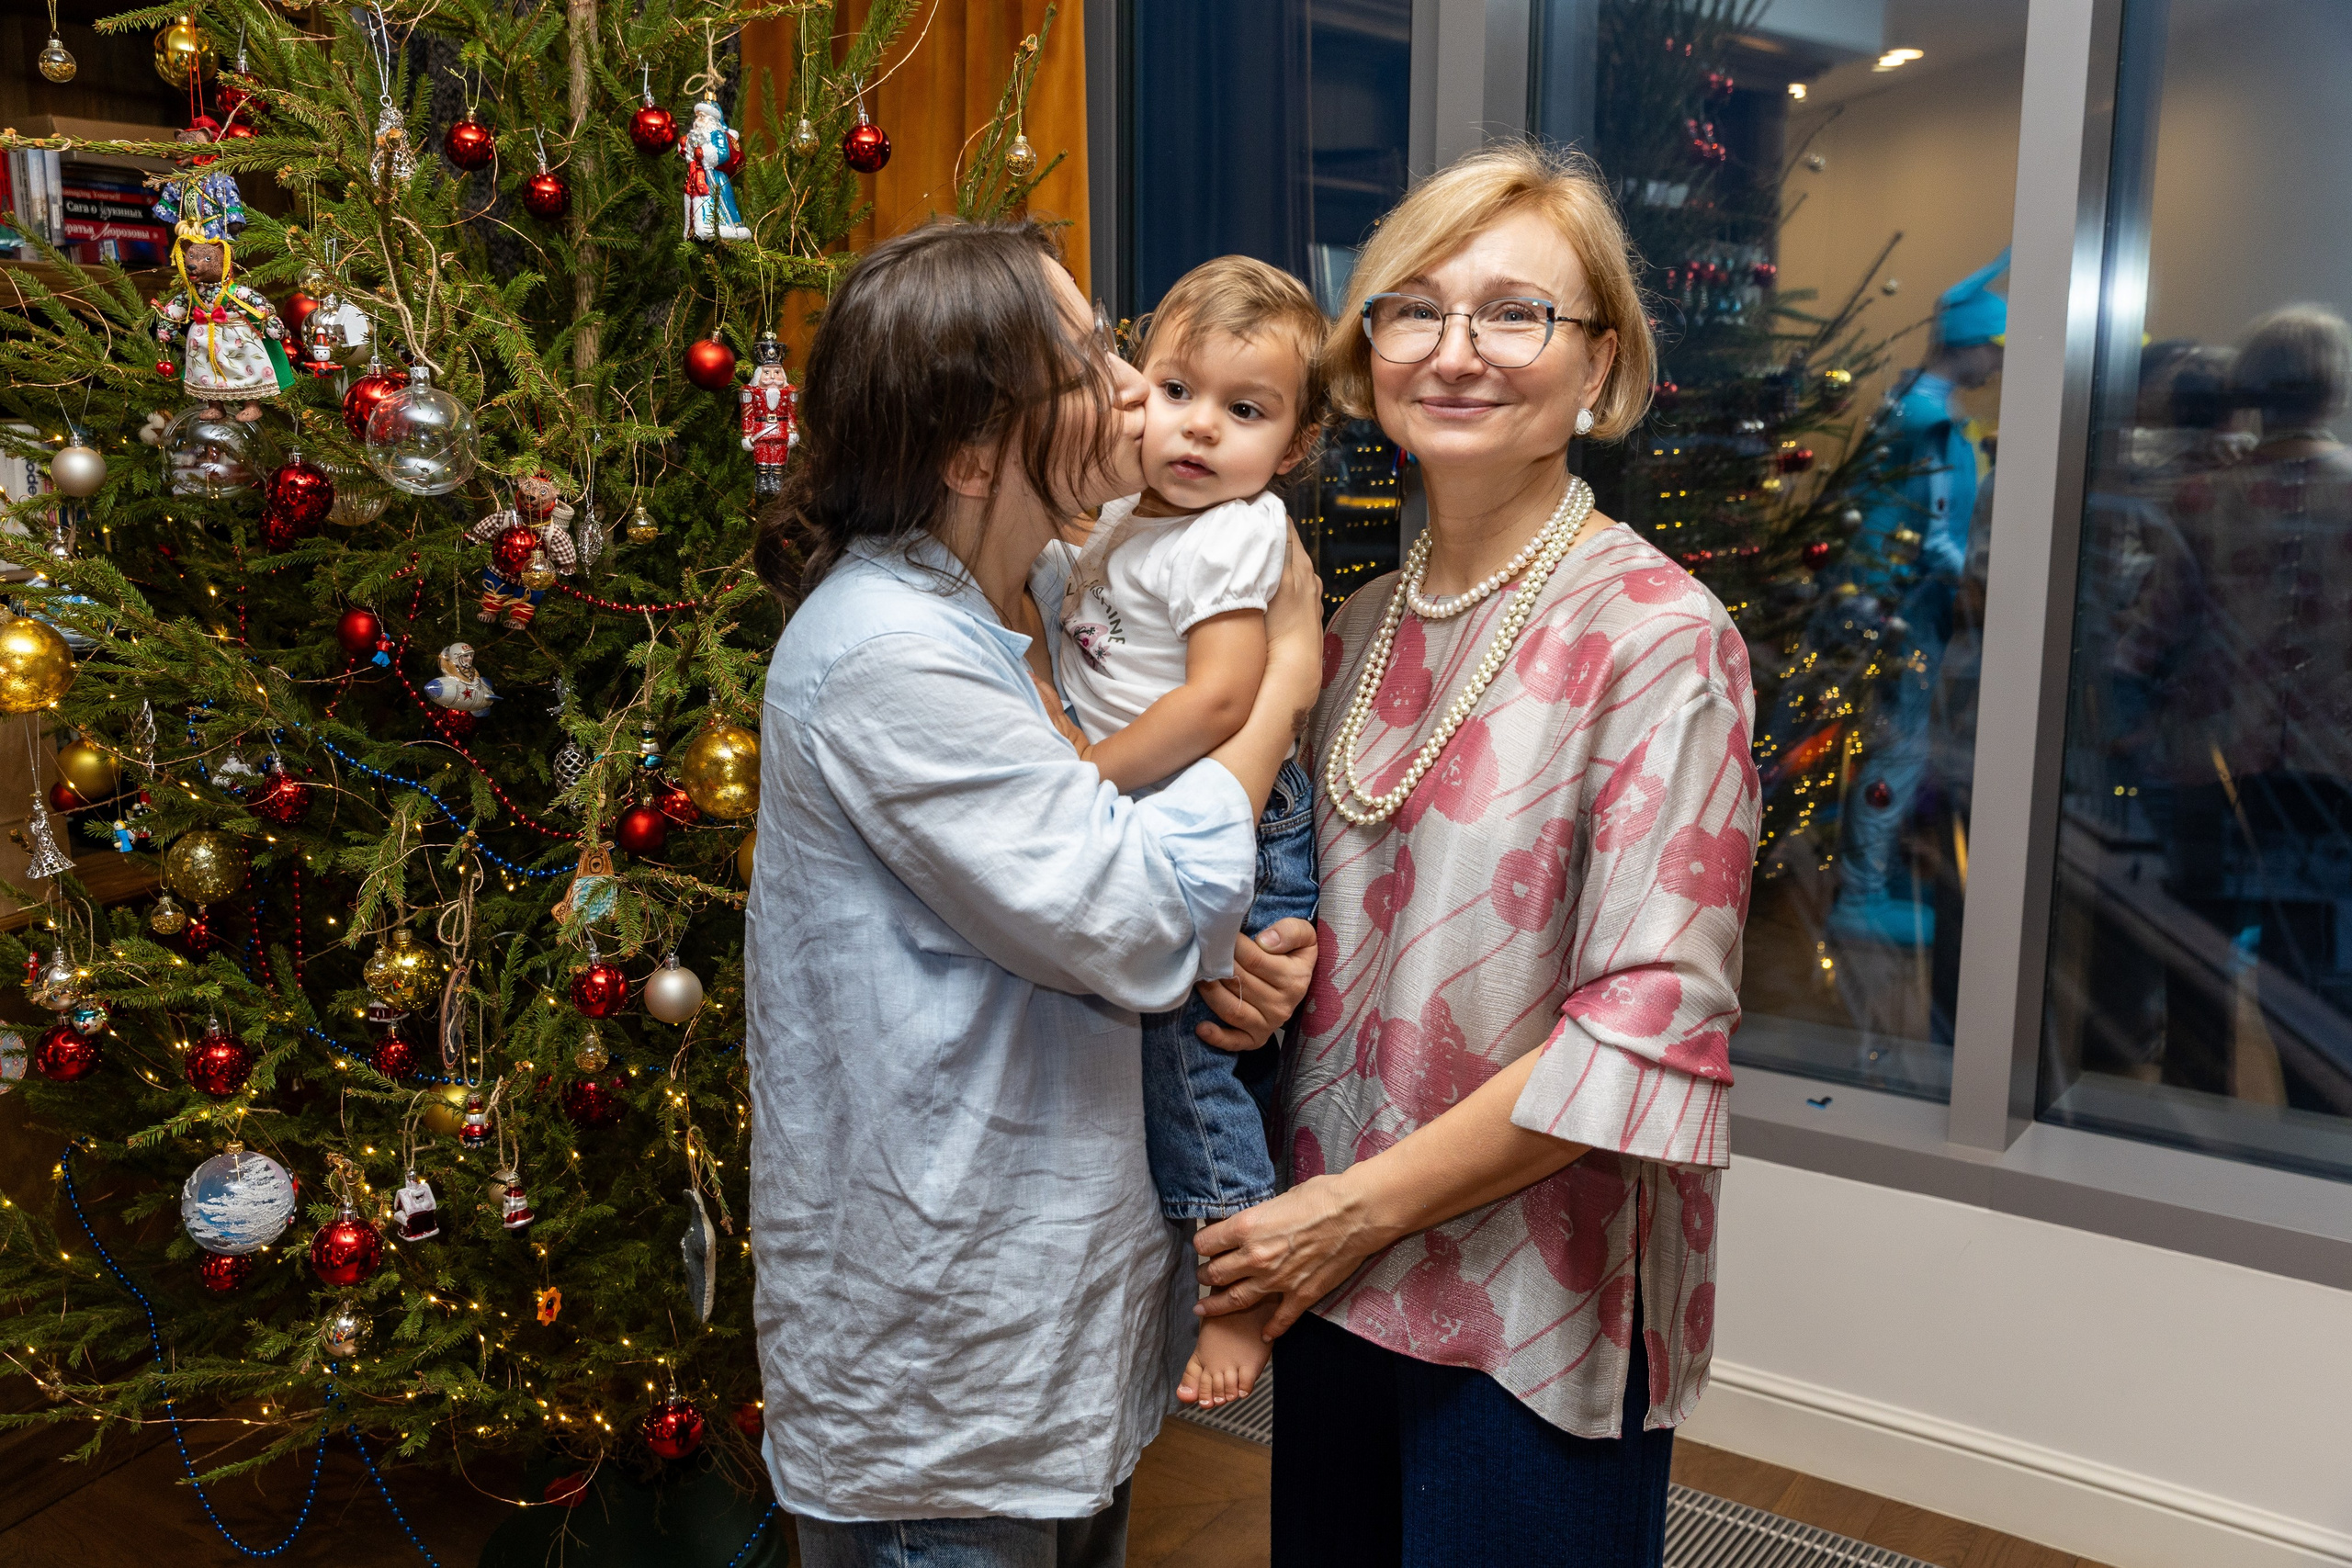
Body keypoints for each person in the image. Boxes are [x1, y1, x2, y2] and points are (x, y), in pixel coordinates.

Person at [1189, 144, 1761, 1566]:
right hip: (1329, 1269)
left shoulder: (1661, 640)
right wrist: (1267, 967)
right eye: (1415, 308)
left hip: (1531, 1308)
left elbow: (1645, 1029)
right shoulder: (1357, 619)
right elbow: (1332, 902)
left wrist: (1346, 1213)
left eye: (1516, 313)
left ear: (1599, 364)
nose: (1455, 351)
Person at [743, 218, 1323, 1567]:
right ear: (968, 453)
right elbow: (1144, 915)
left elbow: (1141, 904)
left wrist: (1248, 951)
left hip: (1060, 1328)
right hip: (948, 1375)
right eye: (1086, 363)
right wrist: (1278, 691)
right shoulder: (888, 653)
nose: (1131, 387)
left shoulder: (1046, 587)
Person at [1040, 254, 1328, 1411]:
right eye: (1175, 391)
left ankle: (1241, 1280)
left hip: (1230, 808)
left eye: (1244, 411)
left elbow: (1219, 701)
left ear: (1295, 448)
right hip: (1159, 796)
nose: (1199, 427)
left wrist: (1085, 782)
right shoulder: (1123, 512)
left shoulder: (1235, 534)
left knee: (1191, 1054)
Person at [1827, 251, 2007, 946]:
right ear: (1967, 343)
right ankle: (1861, 896)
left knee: (1895, 744)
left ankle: (1866, 881)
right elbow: (1932, 537)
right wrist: (1986, 584)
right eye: (1993, 348)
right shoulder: (1927, 421)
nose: (1997, 364)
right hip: (1903, 611)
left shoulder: (1912, 406)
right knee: (1897, 749)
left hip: (1896, 605)